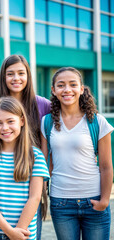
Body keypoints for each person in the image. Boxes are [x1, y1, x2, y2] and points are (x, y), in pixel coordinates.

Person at [41, 67, 113, 240]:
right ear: (53, 90)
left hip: (94, 200)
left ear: (81, 89)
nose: (67, 89)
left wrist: (104, 200)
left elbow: (106, 166)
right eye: (61, 85)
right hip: (61, 202)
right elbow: (44, 164)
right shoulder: (47, 121)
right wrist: (41, 193)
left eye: (73, 84)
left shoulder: (97, 121)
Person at [0, 96, 49, 240]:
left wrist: (18, 230)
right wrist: (9, 231)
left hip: (23, 233)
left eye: (10, 121)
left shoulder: (35, 156)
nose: (5, 128)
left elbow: (35, 197)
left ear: (22, 121)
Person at [0, 55, 50, 238]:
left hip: (31, 180)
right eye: (10, 74)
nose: (16, 78)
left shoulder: (41, 104)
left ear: (28, 75)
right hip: (1, 182)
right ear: (3, 77)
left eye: (21, 73)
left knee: (29, 230)